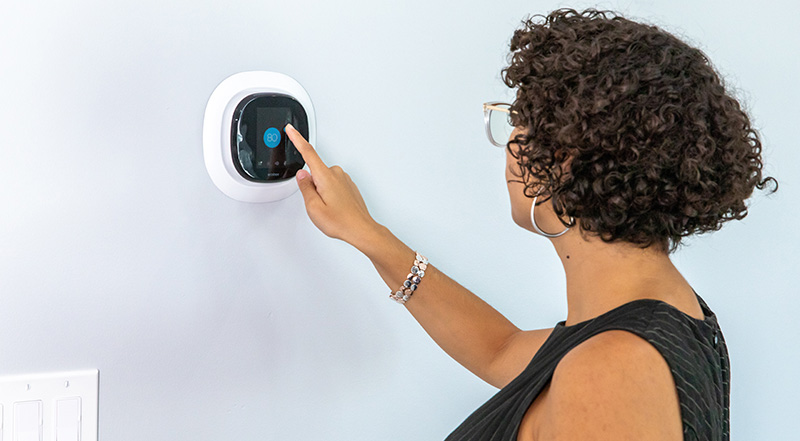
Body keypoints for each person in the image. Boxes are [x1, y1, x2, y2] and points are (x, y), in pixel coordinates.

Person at [283, 8, 776, 441]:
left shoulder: (609, 371)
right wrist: (368, 236)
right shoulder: (660, 315)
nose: (509, 143)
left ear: (563, 156)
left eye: (519, 119)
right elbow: (501, 350)